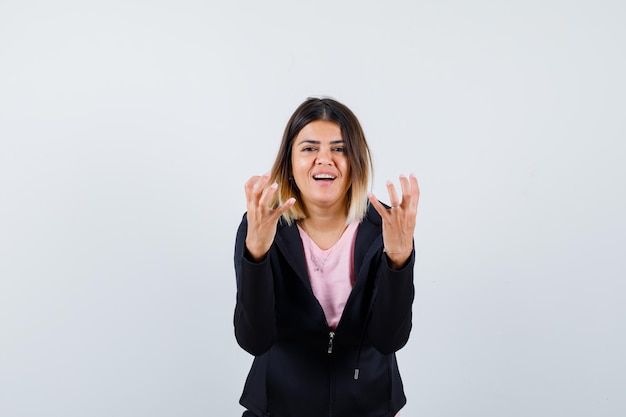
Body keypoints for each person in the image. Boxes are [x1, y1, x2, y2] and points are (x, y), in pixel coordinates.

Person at [233, 97, 420, 417]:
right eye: (309, 148)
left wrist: (398, 260)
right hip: (279, 407)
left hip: (369, 407)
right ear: (289, 161)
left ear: (356, 161)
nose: (325, 159)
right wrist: (257, 255)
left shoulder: (386, 228)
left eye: (339, 148)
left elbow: (389, 339)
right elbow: (255, 340)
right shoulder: (262, 225)